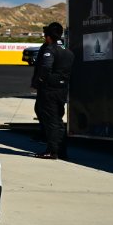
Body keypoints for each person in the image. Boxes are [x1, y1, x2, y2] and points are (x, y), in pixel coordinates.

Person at [31, 22, 74, 159]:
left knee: (51, 121)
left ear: (48, 37)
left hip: (49, 91)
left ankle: (52, 151)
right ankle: (60, 150)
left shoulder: (49, 49)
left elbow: (45, 68)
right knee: (56, 120)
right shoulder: (68, 52)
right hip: (62, 90)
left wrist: (39, 82)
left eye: (45, 35)